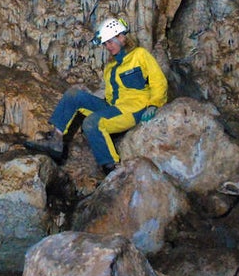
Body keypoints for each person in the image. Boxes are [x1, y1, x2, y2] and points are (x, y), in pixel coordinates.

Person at [25, 16, 168, 174]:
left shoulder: (139, 55)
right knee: (74, 94)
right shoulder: (111, 67)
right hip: (114, 106)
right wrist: (89, 95)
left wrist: (154, 104)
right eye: (106, 43)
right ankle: (56, 140)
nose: (108, 46)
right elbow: (108, 93)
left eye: (111, 41)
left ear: (121, 37)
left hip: (134, 108)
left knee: (92, 122)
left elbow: (158, 80)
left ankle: (111, 167)